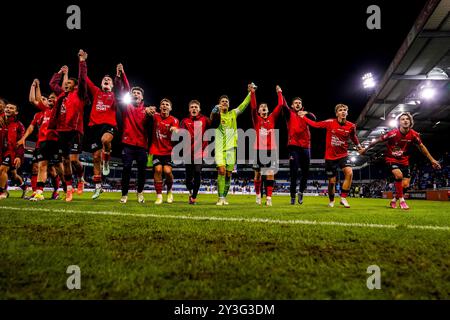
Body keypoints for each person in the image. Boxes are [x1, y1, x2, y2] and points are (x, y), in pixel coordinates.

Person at [359, 112, 441, 209]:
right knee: (399, 175)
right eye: (402, 119)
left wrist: (432, 160)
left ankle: (394, 199)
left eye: (407, 119)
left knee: (405, 185)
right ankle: (402, 201)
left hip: (404, 161)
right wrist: (365, 149)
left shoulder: (414, 135)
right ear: (399, 123)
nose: (405, 120)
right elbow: (377, 141)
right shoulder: (393, 133)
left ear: (410, 122)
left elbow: (422, 147)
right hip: (391, 159)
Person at [300, 104, 362, 208]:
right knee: (332, 182)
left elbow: (354, 137)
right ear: (337, 113)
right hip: (330, 157)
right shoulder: (330, 123)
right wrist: (304, 117)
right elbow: (315, 124)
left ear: (347, 112)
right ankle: (331, 201)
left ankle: (343, 198)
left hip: (343, 155)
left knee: (349, 173)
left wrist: (359, 146)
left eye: (344, 110)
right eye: (340, 110)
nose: (343, 112)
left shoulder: (351, 126)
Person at [49, 51, 88, 201]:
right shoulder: (61, 96)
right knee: (65, 160)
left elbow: (82, 79)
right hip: (61, 131)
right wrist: (60, 73)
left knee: (73, 160)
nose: (66, 85)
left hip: (75, 131)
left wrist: (81, 61)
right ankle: (69, 188)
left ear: (75, 86)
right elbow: (53, 84)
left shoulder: (79, 94)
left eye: (69, 83)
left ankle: (81, 177)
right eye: (65, 84)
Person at [80, 51, 120, 199]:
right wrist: (82, 61)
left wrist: (118, 76)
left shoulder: (116, 95)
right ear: (101, 83)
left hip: (109, 125)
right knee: (96, 156)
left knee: (106, 140)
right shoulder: (96, 91)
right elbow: (84, 78)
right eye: (105, 79)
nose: (107, 80)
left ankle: (107, 161)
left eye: (109, 79)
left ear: (112, 84)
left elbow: (121, 86)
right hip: (93, 127)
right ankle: (98, 187)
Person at [211, 84, 253, 206]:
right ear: (219, 104)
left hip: (231, 149)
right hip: (219, 149)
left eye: (226, 101)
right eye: (222, 101)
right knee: (222, 171)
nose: (224, 102)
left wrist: (250, 93)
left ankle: (224, 197)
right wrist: (214, 112)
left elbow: (244, 105)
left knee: (229, 175)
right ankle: (220, 197)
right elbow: (211, 120)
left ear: (229, 104)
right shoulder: (217, 115)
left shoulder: (233, 113)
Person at [116, 64, 151, 204]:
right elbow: (122, 88)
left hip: (142, 145)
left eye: (138, 93)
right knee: (126, 168)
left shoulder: (147, 110)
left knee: (142, 171)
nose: (135, 94)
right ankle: (124, 195)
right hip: (128, 144)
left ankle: (140, 193)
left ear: (142, 97)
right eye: (133, 93)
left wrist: (150, 116)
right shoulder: (126, 107)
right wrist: (121, 74)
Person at [250, 85, 284, 206]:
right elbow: (253, 106)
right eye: (261, 107)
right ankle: (258, 195)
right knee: (258, 174)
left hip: (271, 150)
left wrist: (279, 92)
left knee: (270, 173)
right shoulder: (256, 119)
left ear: (268, 110)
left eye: (265, 107)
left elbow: (280, 105)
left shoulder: (272, 117)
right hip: (258, 149)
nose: (263, 107)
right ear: (259, 111)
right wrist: (252, 93)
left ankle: (269, 198)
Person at [146, 99, 179, 204]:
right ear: (160, 107)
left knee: (168, 172)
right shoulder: (155, 116)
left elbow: (177, 130)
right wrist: (147, 109)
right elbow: (146, 112)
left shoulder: (174, 120)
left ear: (170, 108)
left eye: (167, 105)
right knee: (158, 170)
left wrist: (175, 131)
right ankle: (159, 195)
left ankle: (169, 191)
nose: (165, 106)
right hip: (155, 149)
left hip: (169, 151)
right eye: (163, 104)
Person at [282, 95, 312, 205]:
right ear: (292, 105)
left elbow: (315, 119)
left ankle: (300, 192)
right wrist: (280, 93)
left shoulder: (305, 114)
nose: (297, 104)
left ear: (302, 105)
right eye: (295, 103)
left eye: (299, 103)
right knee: (293, 173)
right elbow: (283, 105)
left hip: (305, 147)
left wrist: (306, 113)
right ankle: (293, 196)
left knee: (305, 172)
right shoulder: (289, 113)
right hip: (293, 146)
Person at [180, 100, 211, 204]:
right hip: (188, 154)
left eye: (196, 107)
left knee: (197, 172)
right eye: (192, 107)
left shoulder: (205, 119)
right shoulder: (184, 121)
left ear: (199, 109)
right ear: (189, 109)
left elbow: (214, 123)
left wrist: (216, 113)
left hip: (200, 153)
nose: (194, 108)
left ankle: (194, 197)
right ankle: (190, 192)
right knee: (188, 179)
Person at [0, 103, 25, 199]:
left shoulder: (19, 126)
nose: (8, 109)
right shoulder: (0, 120)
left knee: (2, 169)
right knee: (13, 175)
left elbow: (21, 142)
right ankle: (24, 186)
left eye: (11, 108)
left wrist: (19, 156)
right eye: (7, 107)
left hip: (11, 152)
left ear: (16, 112)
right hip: (1, 151)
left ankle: (2, 192)